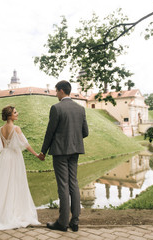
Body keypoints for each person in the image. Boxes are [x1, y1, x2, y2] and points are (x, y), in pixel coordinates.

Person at [38, 80, 89, 232]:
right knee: (73, 183)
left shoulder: (56, 108)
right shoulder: (80, 109)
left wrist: (43, 151)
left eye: (56, 91)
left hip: (60, 152)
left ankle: (62, 223)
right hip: (75, 151)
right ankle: (75, 221)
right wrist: (73, 139)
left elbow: (50, 132)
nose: (55, 94)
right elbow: (85, 132)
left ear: (61, 91)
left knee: (63, 185)